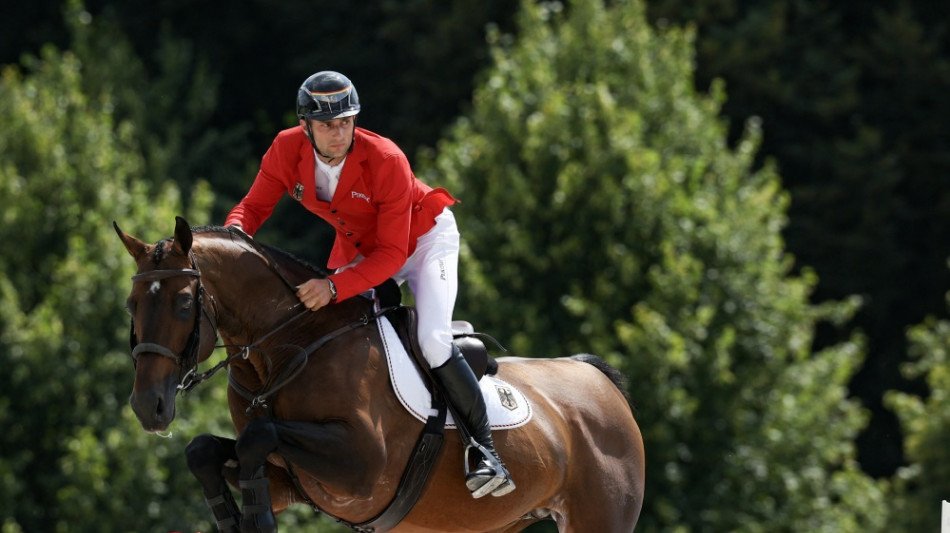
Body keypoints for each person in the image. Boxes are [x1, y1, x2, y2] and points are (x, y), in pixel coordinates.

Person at [224, 70, 514, 498]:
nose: (339, 133)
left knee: (432, 341)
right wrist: (230, 242)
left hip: (422, 242)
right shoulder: (285, 150)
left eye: (346, 122)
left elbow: (393, 256)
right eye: (327, 125)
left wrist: (335, 287)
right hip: (362, 247)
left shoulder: (386, 158)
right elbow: (251, 209)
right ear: (304, 126)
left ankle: (485, 450)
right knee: (324, 328)